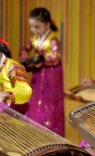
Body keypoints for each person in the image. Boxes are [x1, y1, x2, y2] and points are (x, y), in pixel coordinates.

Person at [20, 8, 64, 137]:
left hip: (52, 75)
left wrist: (43, 60)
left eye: (37, 27)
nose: (34, 30)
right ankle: (35, 128)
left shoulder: (53, 40)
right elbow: (24, 49)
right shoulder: (34, 38)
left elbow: (57, 57)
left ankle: (51, 131)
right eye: (32, 27)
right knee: (36, 98)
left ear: (47, 25)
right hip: (39, 73)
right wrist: (25, 59)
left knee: (50, 102)